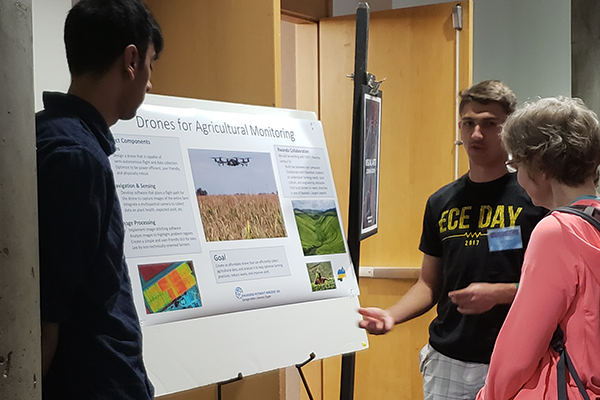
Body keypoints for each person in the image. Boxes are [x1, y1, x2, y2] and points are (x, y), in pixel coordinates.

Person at [358, 80, 546, 400]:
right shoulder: (441, 201)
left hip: (517, 358)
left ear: (509, 130)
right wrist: (392, 314)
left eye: (489, 124)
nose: (476, 134)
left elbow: (556, 288)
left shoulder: (535, 198)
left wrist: (501, 293)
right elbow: (429, 284)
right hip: (447, 360)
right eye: (469, 123)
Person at [36, 0, 163, 398]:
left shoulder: (45, 133)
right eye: (150, 66)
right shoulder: (78, 159)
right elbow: (46, 318)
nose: (149, 83)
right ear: (131, 60)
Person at [476, 97, 600, 400]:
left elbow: (519, 350)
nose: (517, 177)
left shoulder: (557, 230)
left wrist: (488, 395)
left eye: (517, 164)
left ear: (541, 166)